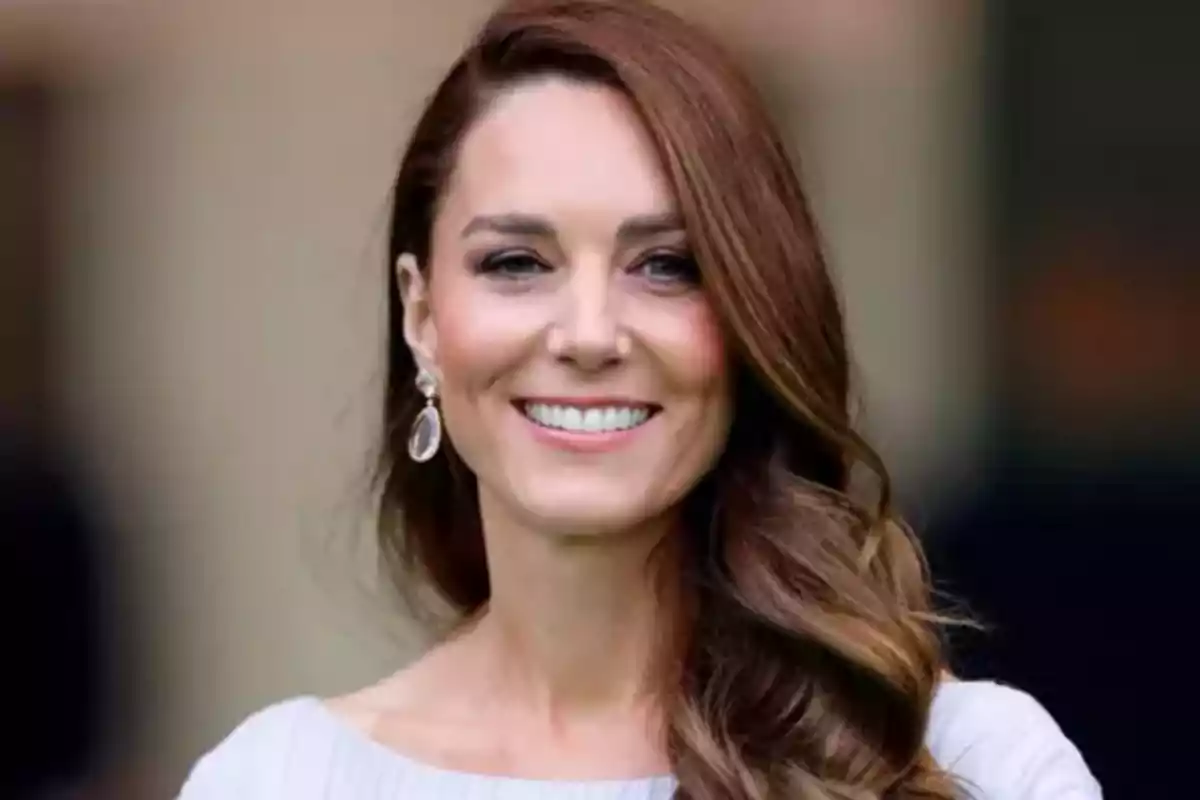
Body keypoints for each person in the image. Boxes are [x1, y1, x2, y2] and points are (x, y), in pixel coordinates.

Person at [178, 1, 1100, 798]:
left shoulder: (968, 766)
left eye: (666, 266)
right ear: (421, 314)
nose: (588, 334)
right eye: (517, 263)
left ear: (751, 316)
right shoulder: (274, 780)